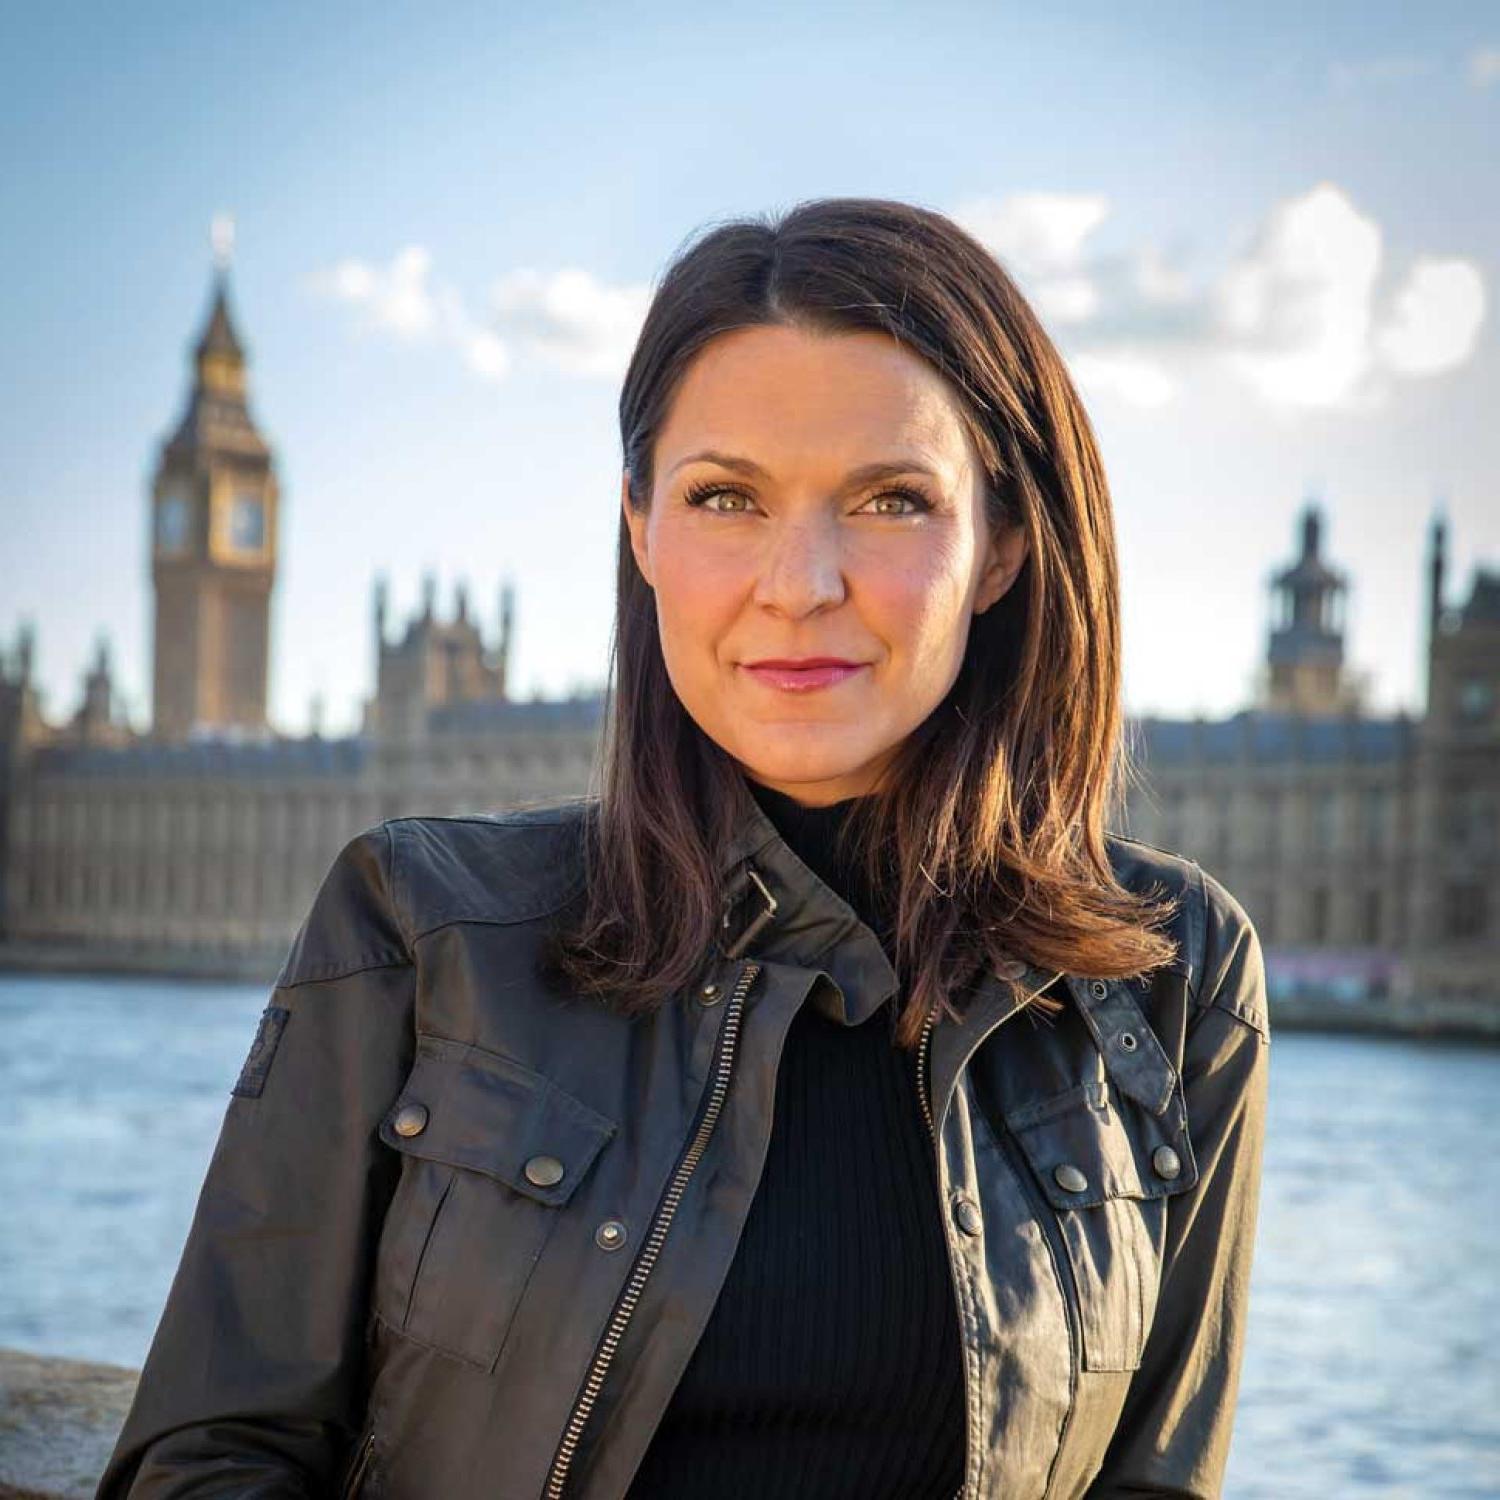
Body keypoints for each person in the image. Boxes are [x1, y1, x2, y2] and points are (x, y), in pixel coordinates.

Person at [96, 196, 1270, 1500]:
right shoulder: (422, 928)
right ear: (639, 526)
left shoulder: (1169, 977)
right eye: (727, 496)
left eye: (888, 500)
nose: (799, 579)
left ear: (1002, 544)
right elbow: (215, 1459)